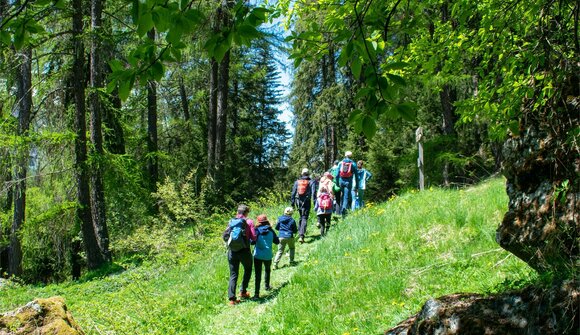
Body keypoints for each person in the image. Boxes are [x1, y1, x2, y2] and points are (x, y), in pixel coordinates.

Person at [222, 204, 257, 305]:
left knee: (233, 274)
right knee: (248, 269)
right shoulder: (249, 222)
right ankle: (243, 291)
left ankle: (232, 299)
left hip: (232, 251)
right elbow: (254, 237)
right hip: (244, 251)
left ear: (237, 212)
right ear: (246, 213)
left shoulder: (231, 222)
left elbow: (225, 235)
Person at [251, 214, 279, 299]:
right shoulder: (271, 230)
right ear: (266, 221)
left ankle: (256, 294)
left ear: (258, 222)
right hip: (268, 255)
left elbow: (252, 242)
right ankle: (267, 286)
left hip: (257, 255)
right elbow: (277, 242)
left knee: (257, 274)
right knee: (267, 270)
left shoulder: (256, 231)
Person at [290, 168, 315, 243]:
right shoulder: (311, 181)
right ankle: (301, 235)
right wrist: (314, 202)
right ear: (308, 173)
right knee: (304, 217)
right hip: (306, 201)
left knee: (301, 216)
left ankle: (300, 232)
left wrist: (292, 203)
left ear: (302, 173)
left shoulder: (297, 182)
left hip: (298, 201)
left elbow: (293, 193)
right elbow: (313, 192)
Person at [337, 151, 359, 217]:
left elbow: (337, 174)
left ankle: (340, 211)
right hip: (348, 182)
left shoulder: (340, 163)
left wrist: (338, 183)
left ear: (345, 155)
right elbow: (357, 176)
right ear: (350, 156)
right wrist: (357, 186)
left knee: (342, 196)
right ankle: (343, 213)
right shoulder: (353, 164)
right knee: (346, 197)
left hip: (341, 181)